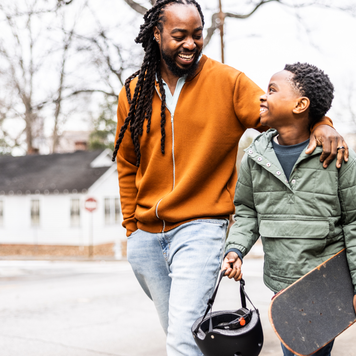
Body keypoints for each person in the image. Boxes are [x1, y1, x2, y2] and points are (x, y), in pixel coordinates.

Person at [113, 0, 348, 354]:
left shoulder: (227, 82)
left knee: (181, 341)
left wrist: (322, 124)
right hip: (146, 237)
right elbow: (127, 163)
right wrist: (131, 225)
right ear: (157, 34)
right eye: (179, 35)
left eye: (196, 34)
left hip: (200, 228)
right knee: (186, 335)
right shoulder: (134, 93)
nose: (191, 43)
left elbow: (284, 112)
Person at [222, 62, 356, 356]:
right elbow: (247, 212)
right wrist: (235, 250)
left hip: (325, 280)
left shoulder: (337, 156)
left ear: (300, 105)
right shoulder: (254, 158)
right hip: (282, 283)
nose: (262, 96)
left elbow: (353, 223)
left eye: (271, 90)